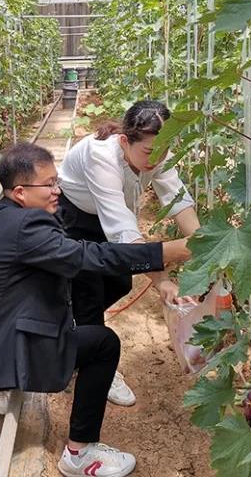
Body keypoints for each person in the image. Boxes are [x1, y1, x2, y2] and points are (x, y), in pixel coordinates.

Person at [0, 143, 191, 477]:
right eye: (48, 185)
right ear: (20, 192)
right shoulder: (28, 228)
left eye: (57, 181)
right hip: (1, 353)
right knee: (103, 344)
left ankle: (0, 384)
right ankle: (79, 453)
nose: (57, 191)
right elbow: (88, 257)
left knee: (89, 290)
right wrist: (166, 252)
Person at [57, 100, 201, 405]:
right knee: (89, 290)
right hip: (77, 219)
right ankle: (92, 362)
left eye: (163, 149)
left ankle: (68, 323)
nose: (157, 158)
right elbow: (124, 234)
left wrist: (204, 244)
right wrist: (161, 280)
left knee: (120, 282)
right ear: (124, 141)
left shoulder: (156, 150)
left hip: (109, 217)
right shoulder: (101, 158)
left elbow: (178, 200)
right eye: (149, 152)